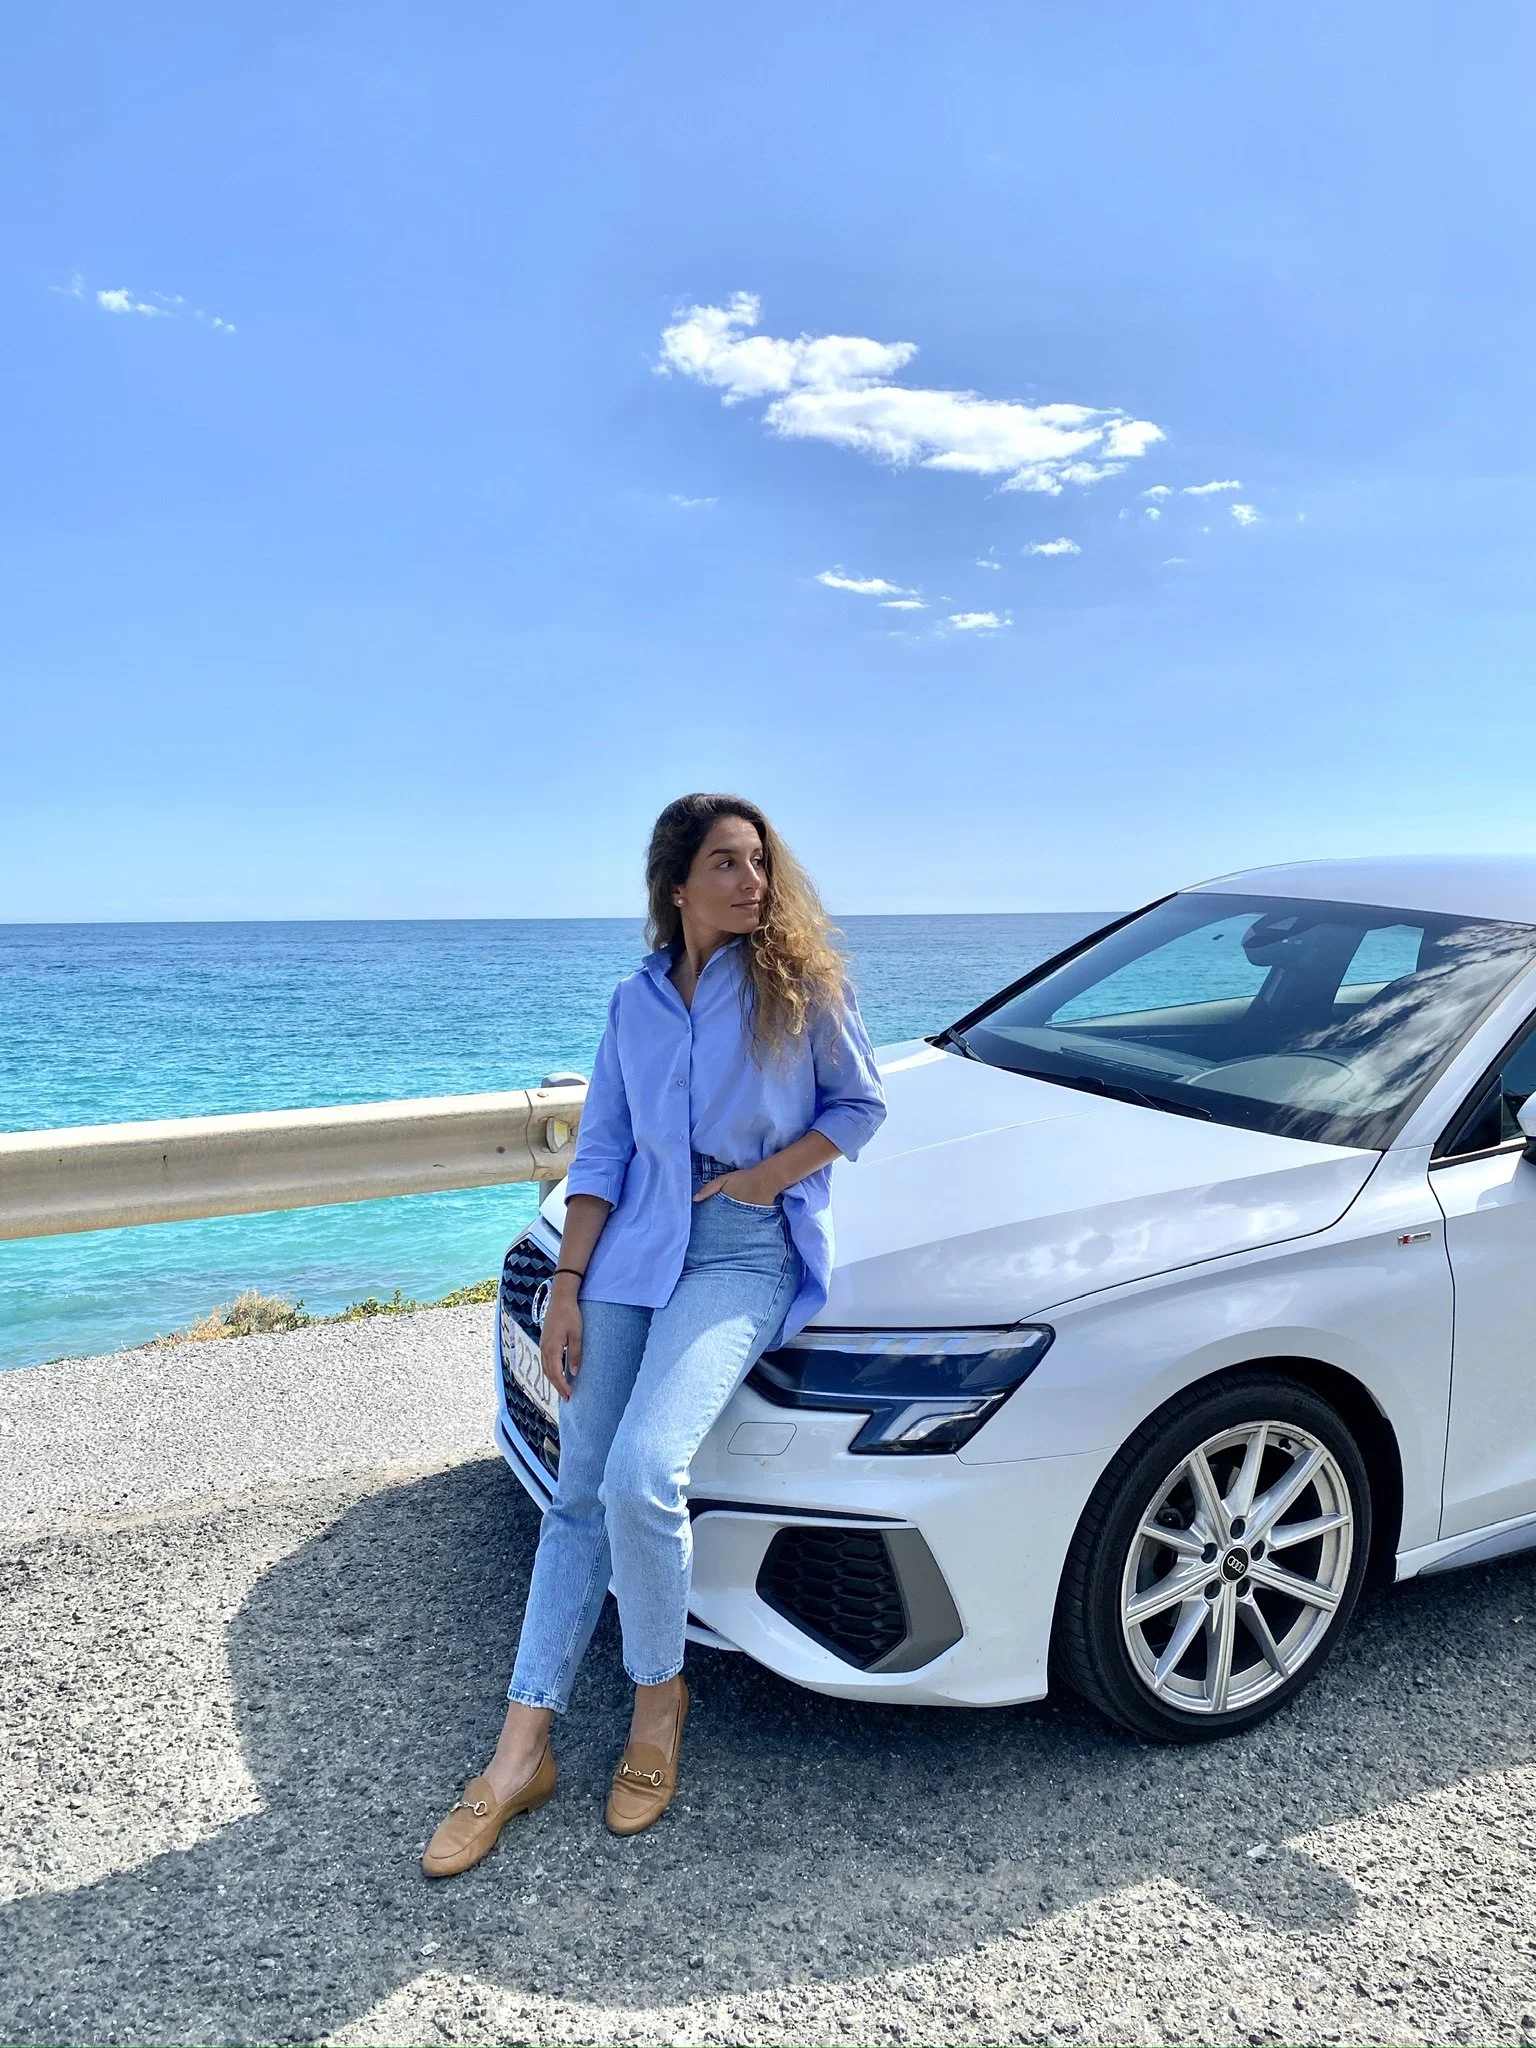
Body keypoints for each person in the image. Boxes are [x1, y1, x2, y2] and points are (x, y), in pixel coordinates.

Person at [423, 792, 887, 1872]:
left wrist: (765, 1180)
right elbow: (603, 1153)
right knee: (577, 1489)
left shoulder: (798, 985)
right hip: (629, 1251)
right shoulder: (633, 1002)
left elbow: (859, 1105)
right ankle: (520, 1752)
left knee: (642, 1476)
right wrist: (567, 1284)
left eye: (759, 861)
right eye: (726, 863)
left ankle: (656, 1702)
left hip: (739, 1251)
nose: (752, 881)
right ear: (676, 884)